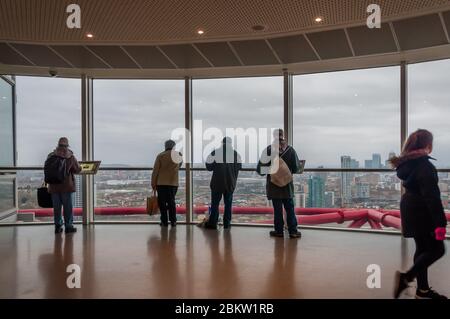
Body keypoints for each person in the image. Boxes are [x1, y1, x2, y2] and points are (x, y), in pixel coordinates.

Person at [391, 129, 447, 299]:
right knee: (437, 249)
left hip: (410, 207)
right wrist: (440, 224)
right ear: (428, 145)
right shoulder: (424, 166)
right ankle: (406, 277)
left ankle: (422, 291)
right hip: (422, 211)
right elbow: (432, 197)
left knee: (422, 249)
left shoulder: (408, 164)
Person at [257, 129, 301, 239]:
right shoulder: (291, 150)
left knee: (277, 210)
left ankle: (279, 231)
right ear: (283, 136)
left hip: (274, 185)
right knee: (290, 209)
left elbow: (260, 170)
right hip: (287, 186)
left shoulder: (268, 150)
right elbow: (296, 168)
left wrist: (273, 169)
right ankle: (293, 231)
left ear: (274, 136)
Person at [204, 137, 242, 229]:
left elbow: (209, 167)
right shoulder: (235, 154)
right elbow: (239, 166)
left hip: (217, 182)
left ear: (222, 143)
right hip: (230, 183)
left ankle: (213, 223)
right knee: (228, 204)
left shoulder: (216, 152)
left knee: (215, 204)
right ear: (230, 143)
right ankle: (227, 223)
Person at [47, 137, 81, 234]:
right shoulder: (70, 157)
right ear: (67, 146)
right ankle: (68, 226)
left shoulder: (51, 155)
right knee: (68, 208)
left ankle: (58, 226)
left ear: (58, 145)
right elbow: (77, 169)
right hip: (66, 186)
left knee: (57, 208)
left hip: (53, 186)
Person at [151, 140, 182, 227]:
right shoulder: (177, 155)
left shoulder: (160, 155)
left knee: (162, 203)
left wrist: (153, 183)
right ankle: (173, 221)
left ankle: (164, 221)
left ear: (165, 146)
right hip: (173, 183)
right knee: (171, 202)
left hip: (161, 183)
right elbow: (179, 166)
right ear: (173, 146)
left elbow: (155, 171)